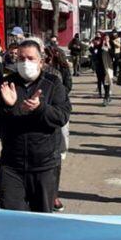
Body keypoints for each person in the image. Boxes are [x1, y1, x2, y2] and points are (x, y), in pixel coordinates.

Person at [0, 37, 72, 212]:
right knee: (12, 219)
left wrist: (40, 109)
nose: (26, 63)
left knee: (41, 221)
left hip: (44, 165)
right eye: (21, 59)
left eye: (31, 59)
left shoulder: (53, 83)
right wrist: (7, 106)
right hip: (12, 165)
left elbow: (62, 116)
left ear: (41, 62)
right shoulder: (6, 84)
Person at [43, 46, 73, 212]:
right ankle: (49, 196)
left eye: (47, 55)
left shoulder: (60, 70)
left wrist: (56, 93)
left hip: (57, 110)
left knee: (59, 151)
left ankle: (53, 194)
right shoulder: (35, 73)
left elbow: (68, 85)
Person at [91, 35, 114, 106]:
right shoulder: (100, 47)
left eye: (107, 38)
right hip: (100, 67)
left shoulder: (111, 45)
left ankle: (106, 97)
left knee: (106, 82)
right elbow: (95, 55)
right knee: (102, 82)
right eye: (104, 39)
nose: (106, 40)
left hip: (108, 67)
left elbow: (113, 55)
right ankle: (106, 96)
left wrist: (109, 46)